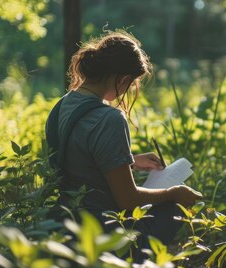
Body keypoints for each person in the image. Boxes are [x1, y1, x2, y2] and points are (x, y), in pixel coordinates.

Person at [46, 30, 202, 261]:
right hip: (103, 231)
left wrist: (131, 159)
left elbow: (77, 153)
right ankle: (132, 260)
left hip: (65, 222)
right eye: (131, 84)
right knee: (174, 206)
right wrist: (173, 192)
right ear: (122, 79)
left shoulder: (62, 105)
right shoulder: (109, 119)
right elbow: (127, 200)